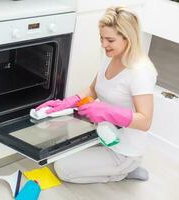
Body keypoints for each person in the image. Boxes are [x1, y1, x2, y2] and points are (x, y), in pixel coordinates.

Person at [36, 6, 157, 183]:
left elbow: (145, 121)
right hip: (106, 135)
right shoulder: (110, 55)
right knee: (54, 154)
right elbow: (93, 89)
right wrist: (66, 103)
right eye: (101, 37)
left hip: (125, 150)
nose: (103, 44)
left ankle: (123, 171)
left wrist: (105, 111)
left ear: (128, 38)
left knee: (63, 169)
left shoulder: (141, 72)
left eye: (109, 40)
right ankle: (115, 166)